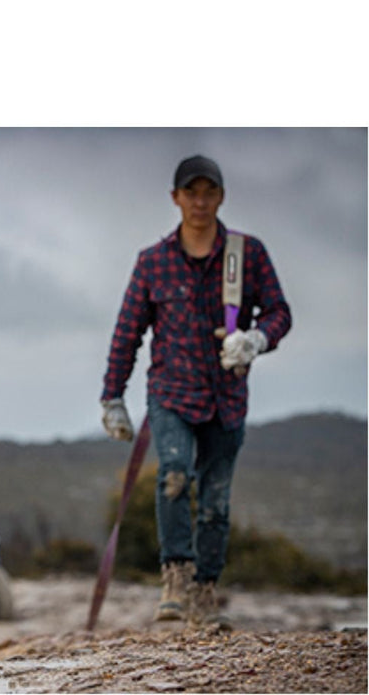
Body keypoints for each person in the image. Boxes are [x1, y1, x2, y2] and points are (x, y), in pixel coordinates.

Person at [100, 155, 291, 628]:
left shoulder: (247, 255)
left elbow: (280, 312)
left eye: (209, 192)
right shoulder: (153, 262)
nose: (200, 202)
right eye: (191, 193)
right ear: (176, 198)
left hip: (227, 398)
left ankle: (205, 592)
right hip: (172, 393)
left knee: (215, 500)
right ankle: (176, 580)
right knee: (174, 474)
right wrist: (113, 397)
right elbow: (128, 333)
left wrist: (257, 339)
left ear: (221, 197)